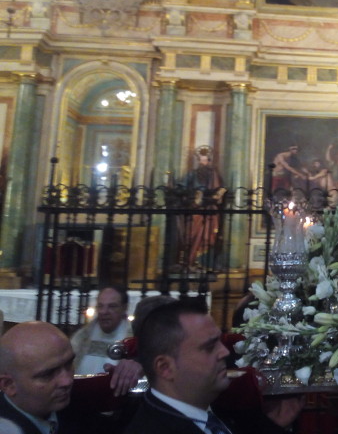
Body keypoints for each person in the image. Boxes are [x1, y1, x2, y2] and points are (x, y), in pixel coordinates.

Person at [123, 299, 303, 434]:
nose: (224, 352)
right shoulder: (151, 427)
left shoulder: (230, 412)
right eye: (209, 347)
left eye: (219, 341)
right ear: (165, 368)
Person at [0, 321, 95, 433]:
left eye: (69, 364)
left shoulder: (80, 409)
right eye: (47, 374)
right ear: (9, 384)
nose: (67, 381)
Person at [71, 285, 143, 396]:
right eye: (100, 306)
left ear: (124, 308)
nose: (104, 312)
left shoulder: (133, 340)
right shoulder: (82, 337)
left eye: (112, 306)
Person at [181, 146, 226, 269]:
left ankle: (206, 263)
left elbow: (220, 189)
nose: (203, 163)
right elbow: (182, 188)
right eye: (201, 161)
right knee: (193, 234)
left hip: (210, 208)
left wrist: (219, 194)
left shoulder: (214, 175)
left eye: (205, 161)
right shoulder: (192, 174)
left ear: (209, 161)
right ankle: (192, 260)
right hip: (196, 208)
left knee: (209, 235)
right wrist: (193, 196)